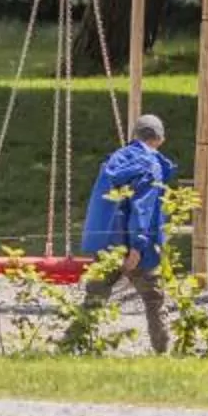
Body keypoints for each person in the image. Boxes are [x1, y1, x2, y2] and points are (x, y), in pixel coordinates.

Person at [68, 113, 174, 354]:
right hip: (132, 244)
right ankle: (163, 352)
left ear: (135, 135)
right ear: (160, 139)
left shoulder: (114, 159)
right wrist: (137, 246)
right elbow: (143, 208)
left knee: (95, 296)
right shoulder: (151, 164)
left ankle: (73, 345)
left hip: (105, 239)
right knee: (154, 297)